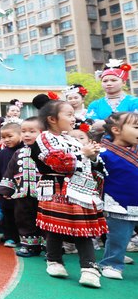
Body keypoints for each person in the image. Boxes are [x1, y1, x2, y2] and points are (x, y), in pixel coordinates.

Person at [31, 97, 107, 288]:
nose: (74, 118)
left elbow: (93, 165)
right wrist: (84, 153)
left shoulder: (72, 139)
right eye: (69, 114)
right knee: (55, 227)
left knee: (83, 229)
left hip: (82, 187)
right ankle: (54, 260)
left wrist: (94, 156)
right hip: (56, 186)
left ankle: (89, 268)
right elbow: (58, 162)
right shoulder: (44, 138)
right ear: (52, 119)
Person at [97, 112, 138, 280]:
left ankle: (117, 257)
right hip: (118, 203)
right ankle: (111, 263)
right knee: (118, 236)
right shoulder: (103, 153)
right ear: (116, 130)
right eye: (136, 127)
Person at [0, 116, 44, 257]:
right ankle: (30, 246)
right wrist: (7, 190)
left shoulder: (48, 152)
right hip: (22, 194)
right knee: (23, 218)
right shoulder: (19, 152)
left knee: (45, 219)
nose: (27, 134)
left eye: (32, 131)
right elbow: (10, 171)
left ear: (43, 132)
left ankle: (50, 247)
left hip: (44, 194)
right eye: (23, 131)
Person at [0, 121, 22, 248]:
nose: (6, 140)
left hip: (22, 190)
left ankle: (24, 237)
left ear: (20, 135)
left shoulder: (26, 151)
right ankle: (10, 237)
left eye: (10, 136)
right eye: (3, 137)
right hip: (6, 190)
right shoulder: (1, 154)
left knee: (23, 214)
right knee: (7, 214)